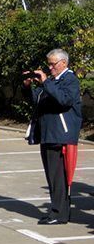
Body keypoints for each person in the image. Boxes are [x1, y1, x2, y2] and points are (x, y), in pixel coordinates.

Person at [22, 49, 82, 225]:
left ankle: (59, 214)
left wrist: (47, 81)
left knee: (58, 177)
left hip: (60, 135)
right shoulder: (52, 81)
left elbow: (64, 100)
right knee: (52, 176)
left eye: (53, 64)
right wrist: (27, 86)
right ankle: (57, 211)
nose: (50, 67)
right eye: (48, 64)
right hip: (48, 134)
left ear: (63, 63)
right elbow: (37, 99)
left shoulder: (69, 79)